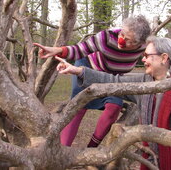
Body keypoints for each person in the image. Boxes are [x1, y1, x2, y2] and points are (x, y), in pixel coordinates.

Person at [55, 36, 171, 170]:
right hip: (154, 162)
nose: (143, 59)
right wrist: (78, 71)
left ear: (164, 58)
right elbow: (113, 81)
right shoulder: (144, 82)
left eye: (147, 56)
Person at [34, 15, 151, 147]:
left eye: (128, 40)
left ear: (139, 43)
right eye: (122, 34)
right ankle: (63, 148)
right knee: (79, 106)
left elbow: (161, 56)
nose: (121, 40)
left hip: (112, 78)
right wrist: (56, 50)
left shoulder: (146, 47)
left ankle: (91, 148)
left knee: (114, 107)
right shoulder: (106, 37)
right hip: (88, 68)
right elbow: (79, 50)